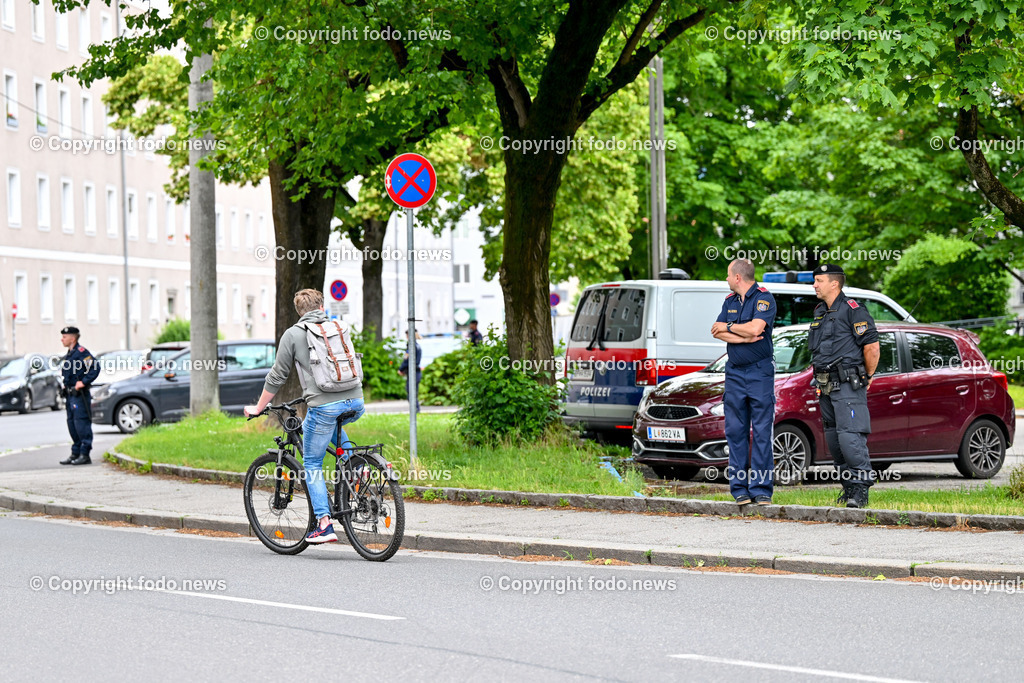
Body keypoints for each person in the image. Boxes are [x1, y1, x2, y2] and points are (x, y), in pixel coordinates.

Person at [244, 289, 365, 544]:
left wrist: (257, 408)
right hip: (355, 400)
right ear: (322, 305)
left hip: (324, 404)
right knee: (329, 424)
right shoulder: (338, 327)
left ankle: (323, 524)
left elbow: (277, 376)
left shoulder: (293, 334)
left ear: (299, 310)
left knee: (311, 463)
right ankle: (359, 468)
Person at [808, 264, 880, 509]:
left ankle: (860, 491)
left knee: (850, 437)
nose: (815, 285)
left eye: (819, 280)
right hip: (825, 385)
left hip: (848, 384)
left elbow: (872, 347)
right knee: (834, 440)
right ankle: (848, 489)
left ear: (834, 283)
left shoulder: (854, 310)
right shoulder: (820, 311)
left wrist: (868, 376)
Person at [710, 259, 777, 506]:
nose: (726, 279)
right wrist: (744, 338)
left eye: (728, 275)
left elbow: (755, 328)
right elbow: (717, 331)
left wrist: (731, 328)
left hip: (759, 373)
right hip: (734, 373)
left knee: (761, 431)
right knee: (735, 431)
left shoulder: (764, 298)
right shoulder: (729, 302)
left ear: (738, 277)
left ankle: (761, 490)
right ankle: (739, 489)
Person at [58, 327, 101, 465]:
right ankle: (75, 453)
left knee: (81, 423)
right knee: (72, 424)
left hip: (79, 396)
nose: (62, 339)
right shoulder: (70, 354)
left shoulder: (82, 352)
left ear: (73, 338)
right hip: (70, 395)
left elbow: (95, 367)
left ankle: (84, 454)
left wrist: (83, 382)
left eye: (64, 337)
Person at [398, 330, 422, 413]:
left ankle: (415, 409)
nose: (406, 337)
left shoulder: (412, 346)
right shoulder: (417, 345)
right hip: (416, 372)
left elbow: (407, 360)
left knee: (411, 391)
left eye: (407, 335)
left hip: (414, 372)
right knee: (412, 391)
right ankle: (416, 409)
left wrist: (401, 369)